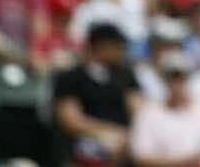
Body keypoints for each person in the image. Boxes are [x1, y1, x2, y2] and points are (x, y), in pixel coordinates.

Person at [52, 22, 142, 165]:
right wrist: (111, 132)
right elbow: (70, 120)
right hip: (86, 137)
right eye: (118, 45)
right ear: (102, 46)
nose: (122, 51)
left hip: (124, 135)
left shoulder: (125, 75)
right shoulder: (71, 77)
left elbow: (138, 108)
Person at [130, 50, 200, 167]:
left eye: (181, 75)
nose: (177, 81)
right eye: (172, 76)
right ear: (163, 78)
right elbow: (141, 158)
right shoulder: (148, 114)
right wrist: (181, 162)